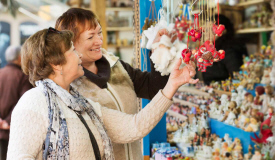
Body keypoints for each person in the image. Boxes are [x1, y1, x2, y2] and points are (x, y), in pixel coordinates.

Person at [7, 28, 198, 159]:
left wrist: (171, 85)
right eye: (72, 51)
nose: (79, 55)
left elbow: (134, 127)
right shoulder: (33, 102)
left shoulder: (82, 105)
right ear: (56, 64)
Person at [55, 8, 194, 159]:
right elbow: (131, 128)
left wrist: (158, 53)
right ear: (71, 43)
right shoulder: (71, 88)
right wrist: (171, 86)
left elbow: (152, 88)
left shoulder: (116, 65)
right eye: (90, 37)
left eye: (99, 32)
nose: (99, 40)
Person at [0, 46, 32, 160]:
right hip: (13, 131)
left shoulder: (0, 73)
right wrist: (7, 122)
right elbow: (25, 102)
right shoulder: (23, 77)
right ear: (20, 58)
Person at [202, 14, 248, 85]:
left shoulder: (229, 50)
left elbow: (237, 78)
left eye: (209, 29)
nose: (206, 33)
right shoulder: (213, 48)